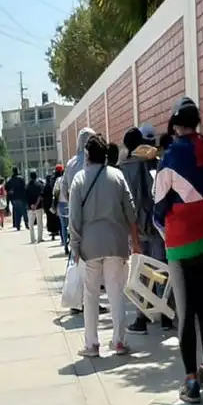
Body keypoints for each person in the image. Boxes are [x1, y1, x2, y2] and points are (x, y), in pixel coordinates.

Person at [153, 97, 203, 404]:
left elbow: (158, 208)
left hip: (180, 244)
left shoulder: (169, 157)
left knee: (186, 313)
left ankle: (191, 382)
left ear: (175, 125)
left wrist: (167, 233)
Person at [69, 133, 141, 358]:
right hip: (116, 243)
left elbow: (74, 217)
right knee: (115, 292)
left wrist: (74, 246)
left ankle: (92, 344)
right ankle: (119, 341)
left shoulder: (79, 179)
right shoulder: (117, 176)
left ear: (87, 155)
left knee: (90, 295)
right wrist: (135, 241)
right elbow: (131, 211)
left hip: (89, 246)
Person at [120, 125, 175, 334]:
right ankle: (166, 316)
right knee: (161, 269)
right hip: (155, 223)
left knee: (140, 274)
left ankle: (141, 319)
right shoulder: (154, 162)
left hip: (135, 227)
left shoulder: (123, 167)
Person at [61, 128, 95, 257]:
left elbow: (64, 190)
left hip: (75, 215)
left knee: (77, 254)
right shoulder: (96, 161)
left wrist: (72, 201)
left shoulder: (71, 163)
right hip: (94, 215)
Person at [25, 171, 46, 244]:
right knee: (40, 223)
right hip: (38, 207)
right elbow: (41, 196)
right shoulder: (39, 185)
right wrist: (36, 204)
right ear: (36, 176)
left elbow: (25, 197)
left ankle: (32, 239)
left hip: (30, 207)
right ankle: (39, 238)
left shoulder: (27, 185)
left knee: (31, 224)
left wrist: (30, 205)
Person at [44, 164, 62, 239]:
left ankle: (54, 232)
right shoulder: (62, 178)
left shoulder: (52, 178)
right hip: (62, 200)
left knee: (53, 217)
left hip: (54, 200)